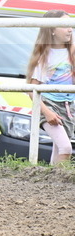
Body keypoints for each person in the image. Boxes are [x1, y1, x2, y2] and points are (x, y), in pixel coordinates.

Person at [26, 9, 74, 165]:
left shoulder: (72, 53)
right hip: (49, 105)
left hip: (68, 106)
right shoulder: (44, 56)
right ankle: (61, 179)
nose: (70, 29)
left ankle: (53, 178)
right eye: (65, 25)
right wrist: (47, 112)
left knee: (59, 149)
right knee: (65, 148)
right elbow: (31, 89)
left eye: (71, 25)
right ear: (52, 30)